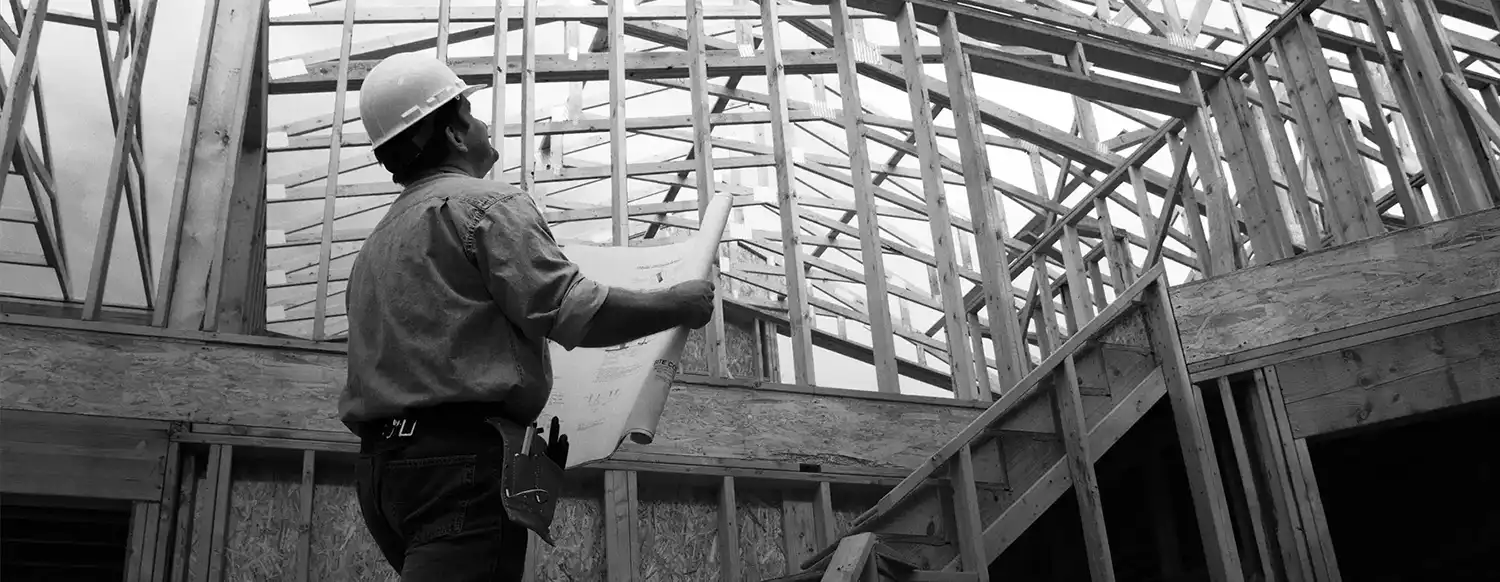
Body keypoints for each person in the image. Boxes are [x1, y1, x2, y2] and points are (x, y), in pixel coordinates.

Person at [338, 53, 716, 581]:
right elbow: (578, 314)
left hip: (385, 474)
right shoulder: (485, 207)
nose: (484, 123)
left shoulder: (377, 243)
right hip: (459, 467)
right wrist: (680, 302)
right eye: (471, 111)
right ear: (452, 133)